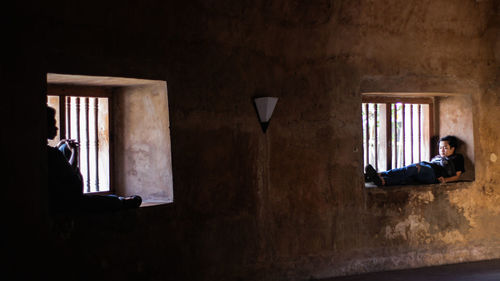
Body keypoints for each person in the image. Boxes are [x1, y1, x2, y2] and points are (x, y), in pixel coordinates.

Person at [46, 105, 142, 214]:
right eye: (53, 124)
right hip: (66, 201)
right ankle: (122, 202)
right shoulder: (52, 153)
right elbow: (70, 174)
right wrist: (75, 152)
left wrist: (60, 145)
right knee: (96, 202)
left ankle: (120, 200)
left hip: (59, 197)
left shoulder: (47, 151)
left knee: (63, 148)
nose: (56, 128)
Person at [365, 135, 465, 186]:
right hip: (428, 171)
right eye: (440, 148)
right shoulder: (437, 158)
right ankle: (382, 180)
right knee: (408, 177)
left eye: (445, 148)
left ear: (453, 148)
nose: (442, 150)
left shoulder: (457, 158)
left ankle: (380, 175)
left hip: (435, 176)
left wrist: (445, 180)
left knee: (415, 168)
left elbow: (458, 176)